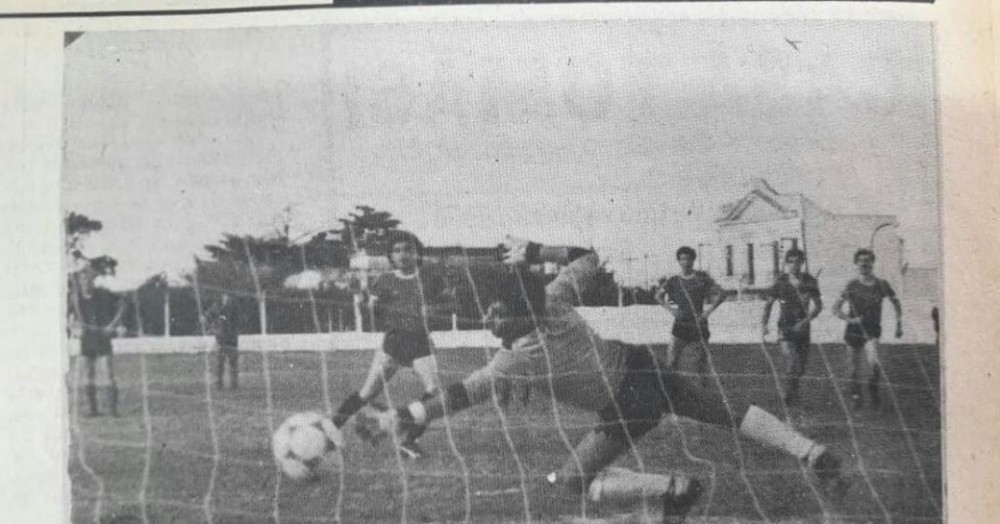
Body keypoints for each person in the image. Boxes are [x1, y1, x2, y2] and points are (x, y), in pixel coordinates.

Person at [357, 238, 845, 521]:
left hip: (627, 401)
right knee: (724, 413)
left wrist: (396, 416)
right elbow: (589, 255)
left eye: (493, 309)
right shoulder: (553, 297)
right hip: (641, 367)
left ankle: (671, 490)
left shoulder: (517, 357)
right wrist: (534, 247)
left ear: (512, 309)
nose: (487, 317)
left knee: (571, 481)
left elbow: (461, 394)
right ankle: (810, 451)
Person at [332, 230, 453, 459]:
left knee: (435, 394)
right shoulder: (386, 280)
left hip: (420, 343)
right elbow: (373, 311)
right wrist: (371, 305)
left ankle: (409, 439)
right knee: (366, 393)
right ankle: (329, 430)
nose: (403, 255)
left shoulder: (430, 277)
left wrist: (436, 310)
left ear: (417, 253)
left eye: (408, 249)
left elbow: (451, 303)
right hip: (393, 344)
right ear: (390, 256)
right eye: (397, 251)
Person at [831, 249, 903, 411]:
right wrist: (850, 319)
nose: (864, 263)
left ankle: (873, 389)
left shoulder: (882, 285)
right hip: (853, 331)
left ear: (872, 263)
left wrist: (899, 324)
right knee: (853, 368)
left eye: (868, 260)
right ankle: (856, 396)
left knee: (874, 364)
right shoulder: (851, 285)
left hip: (872, 331)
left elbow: (896, 302)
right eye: (861, 260)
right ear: (856, 264)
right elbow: (835, 309)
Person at [761, 249, 823, 412]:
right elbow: (768, 304)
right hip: (785, 328)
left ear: (802, 263)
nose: (794, 265)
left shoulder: (810, 281)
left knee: (800, 367)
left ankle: (792, 390)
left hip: (803, 329)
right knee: (792, 361)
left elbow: (818, 306)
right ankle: (788, 397)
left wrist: (806, 321)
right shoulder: (781, 281)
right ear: (786, 263)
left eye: (797, 261)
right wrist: (764, 325)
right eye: (790, 261)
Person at [655, 247, 725, 385]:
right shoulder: (674, 280)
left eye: (688, 259)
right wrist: (671, 310)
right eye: (682, 259)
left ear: (693, 260)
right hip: (680, 325)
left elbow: (722, 293)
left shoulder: (702, 278)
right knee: (672, 361)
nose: (685, 262)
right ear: (678, 261)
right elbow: (658, 296)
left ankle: (703, 394)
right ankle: (673, 393)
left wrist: (707, 312)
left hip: (699, 324)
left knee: (699, 364)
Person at [69, 266, 126, 417]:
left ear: (93, 281)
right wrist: (74, 327)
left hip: (102, 339)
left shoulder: (103, 294)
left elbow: (122, 305)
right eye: (82, 280)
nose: (85, 283)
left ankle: (113, 410)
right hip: (86, 339)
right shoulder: (75, 298)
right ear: (79, 282)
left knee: (107, 374)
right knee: (87, 375)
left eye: (88, 280)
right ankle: (92, 410)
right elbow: (70, 317)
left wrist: (112, 325)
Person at [205, 292, 241, 389]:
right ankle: (219, 384)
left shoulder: (234, 305)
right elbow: (208, 316)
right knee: (219, 363)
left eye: (227, 295)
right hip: (221, 338)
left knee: (233, 362)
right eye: (224, 295)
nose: (225, 297)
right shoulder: (217, 306)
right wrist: (211, 328)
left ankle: (234, 384)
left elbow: (237, 321)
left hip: (232, 338)